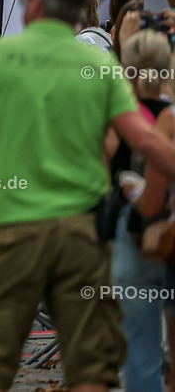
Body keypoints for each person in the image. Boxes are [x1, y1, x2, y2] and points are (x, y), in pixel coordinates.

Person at [0, 0, 175, 392]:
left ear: (33, 5)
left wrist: (4, 165)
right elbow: (145, 142)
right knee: (90, 368)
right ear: (77, 10)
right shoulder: (102, 65)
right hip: (82, 233)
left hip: (11, 230)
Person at [105, 30, 171, 392]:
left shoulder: (122, 118)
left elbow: (101, 168)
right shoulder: (170, 114)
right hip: (166, 232)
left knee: (140, 348)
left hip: (135, 233)